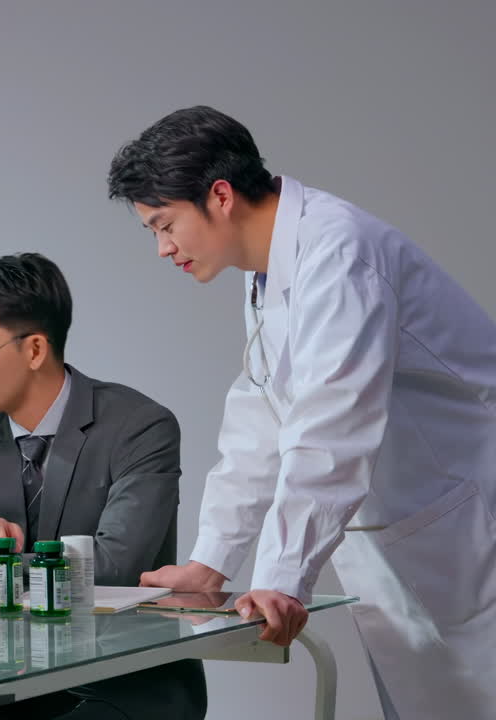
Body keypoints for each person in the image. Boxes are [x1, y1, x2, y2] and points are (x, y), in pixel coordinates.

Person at [107, 105, 496, 718]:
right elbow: (262, 417)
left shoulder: (340, 253)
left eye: (165, 224)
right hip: (406, 528)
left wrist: (281, 576)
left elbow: (329, 429)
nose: (162, 248)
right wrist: (210, 563)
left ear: (220, 195)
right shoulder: (268, 269)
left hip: (466, 523)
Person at [0, 253, 205, 720]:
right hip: (8, 677)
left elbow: (112, 566)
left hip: (127, 678)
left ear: (35, 350)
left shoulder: (140, 427)